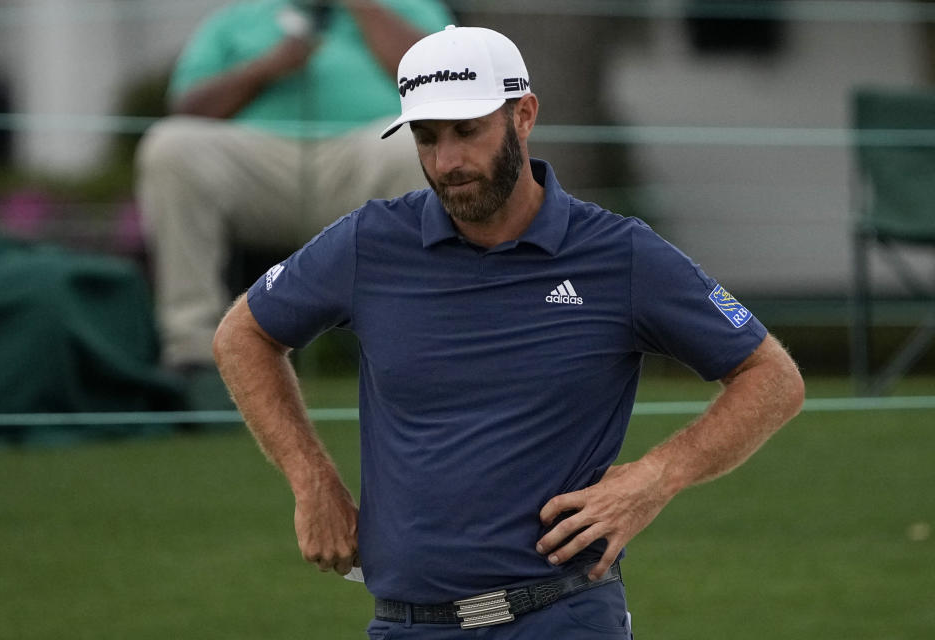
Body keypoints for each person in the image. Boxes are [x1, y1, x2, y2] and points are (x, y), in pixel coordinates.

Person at [212, 25, 806, 639]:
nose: (447, 162)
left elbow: (773, 378)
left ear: (523, 116)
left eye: (468, 131)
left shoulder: (619, 255)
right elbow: (243, 334)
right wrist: (312, 482)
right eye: (427, 138)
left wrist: (656, 476)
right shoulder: (369, 242)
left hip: (564, 616)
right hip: (407, 625)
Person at [135, 0, 453, 405]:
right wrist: (265, 68)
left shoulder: (413, 7)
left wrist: (362, 7)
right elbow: (187, 109)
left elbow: (444, 87)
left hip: (369, 154)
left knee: (422, 145)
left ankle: (424, 346)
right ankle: (193, 358)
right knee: (171, 146)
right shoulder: (236, 17)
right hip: (260, 166)